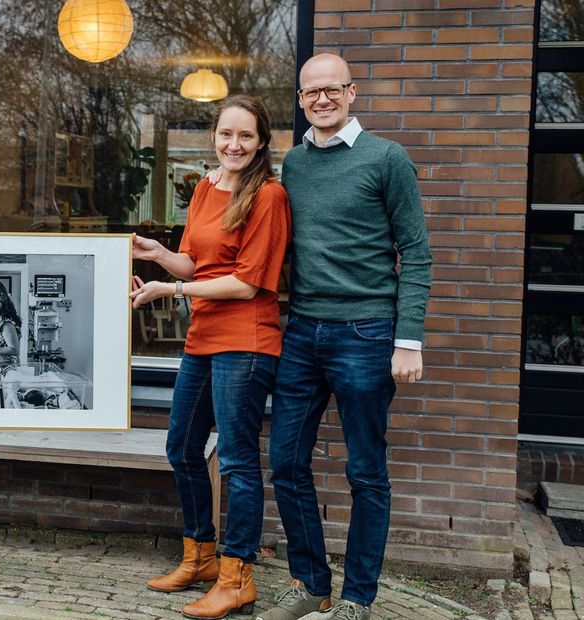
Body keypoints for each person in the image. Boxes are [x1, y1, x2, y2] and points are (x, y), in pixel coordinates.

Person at [240, 53, 432, 620]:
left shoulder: (387, 159)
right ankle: (312, 584)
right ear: (300, 101)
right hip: (301, 331)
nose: (320, 100)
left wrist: (408, 339)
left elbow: (416, 254)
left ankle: (357, 598)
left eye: (331, 90)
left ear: (351, 92)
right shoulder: (294, 165)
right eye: (310, 93)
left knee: (366, 470)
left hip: (367, 333)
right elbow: (252, 202)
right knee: (287, 462)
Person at [131, 94, 290, 620]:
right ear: (214, 137)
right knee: (181, 446)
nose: (234, 145)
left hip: (247, 342)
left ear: (262, 142)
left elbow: (246, 284)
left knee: (240, 462)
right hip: (203, 338)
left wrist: (171, 293)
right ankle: (198, 556)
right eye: (226, 134)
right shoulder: (205, 186)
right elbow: (195, 263)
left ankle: (236, 576)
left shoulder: (268, 196)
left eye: (246, 136)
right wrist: (159, 259)